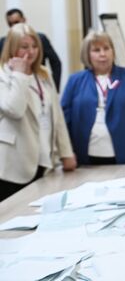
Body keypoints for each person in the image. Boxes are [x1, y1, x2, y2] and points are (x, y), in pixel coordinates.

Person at [0, 23, 76, 202]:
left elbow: (57, 116)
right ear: (12, 47)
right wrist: (19, 74)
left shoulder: (43, 74)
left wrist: (66, 153)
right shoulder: (3, 75)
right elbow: (15, 109)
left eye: (34, 46)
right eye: (24, 47)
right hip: (13, 165)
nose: (31, 52)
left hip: (43, 157)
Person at [61, 31, 125, 166]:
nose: (103, 54)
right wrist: (66, 152)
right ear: (87, 55)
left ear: (113, 51)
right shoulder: (75, 81)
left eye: (106, 48)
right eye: (96, 50)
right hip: (86, 156)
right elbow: (64, 120)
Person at [0, 9, 62, 91]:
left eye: (16, 22)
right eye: (10, 24)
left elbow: (56, 62)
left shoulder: (40, 38)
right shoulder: (4, 42)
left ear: (24, 19)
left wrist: (54, 87)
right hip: (14, 84)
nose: (31, 51)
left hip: (38, 79)